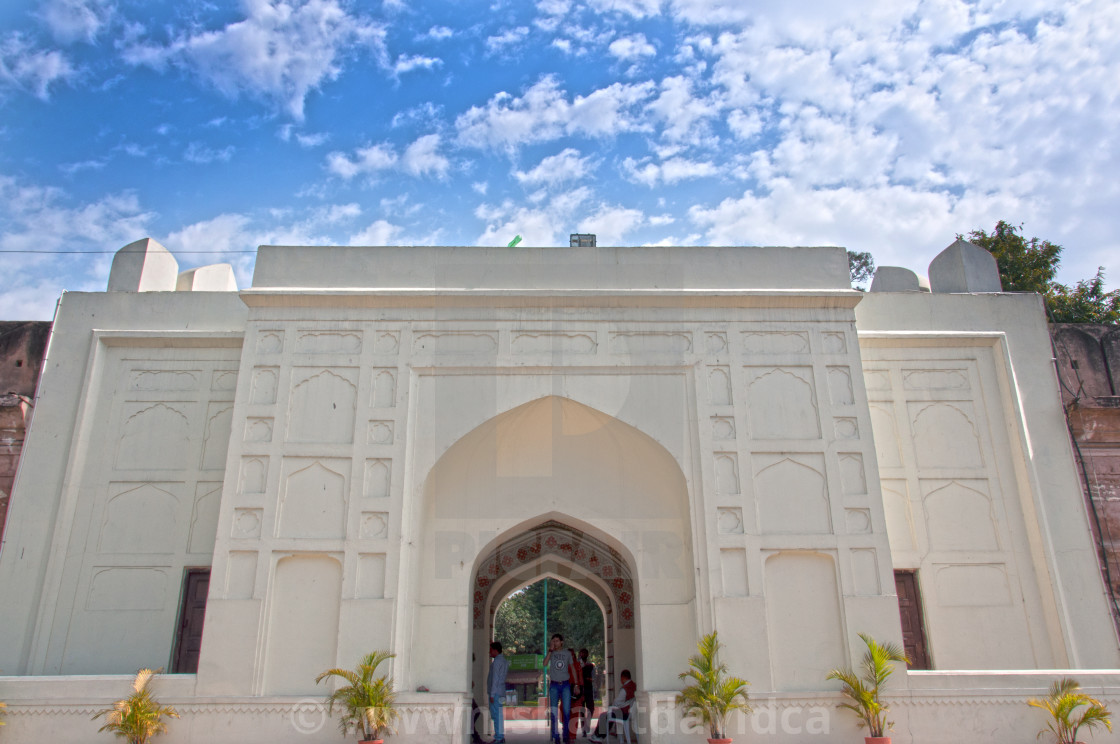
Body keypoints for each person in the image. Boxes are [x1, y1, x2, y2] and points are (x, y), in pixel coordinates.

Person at [544, 633, 578, 744]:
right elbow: (544, 664)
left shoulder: (567, 653)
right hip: (554, 684)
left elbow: (572, 668)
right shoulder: (551, 653)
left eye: (557, 641)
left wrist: (576, 683)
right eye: (553, 641)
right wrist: (550, 651)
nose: (555, 643)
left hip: (565, 685)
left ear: (562, 642)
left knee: (567, 710)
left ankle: (566, 735)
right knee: (553, 711)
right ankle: (556, 735)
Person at [587, 669, 636, 743]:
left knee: (604, 716)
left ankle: (599, 736)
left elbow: (616, 702)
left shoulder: (625, 689)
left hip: (623, 713)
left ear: (623, 678)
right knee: (607, 715)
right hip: (629, 712)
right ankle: (597, 735)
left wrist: (612, 707)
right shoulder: (634, 685)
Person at [487, 641, 509, 744]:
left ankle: (499, 737)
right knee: (499, 715)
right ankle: (499, 736)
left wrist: (492, 694)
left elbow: (495, 679)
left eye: (491, 650)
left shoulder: (496, 662)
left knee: (496, 715)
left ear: (495, 650)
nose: (489, 652)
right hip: (501, 690)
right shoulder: (504, 661)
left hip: (495, 692)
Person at [578, 649, 596, 738]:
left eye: (585, 653)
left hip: (588, 689)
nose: (583, 655)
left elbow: (593, 678)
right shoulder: (578, 665)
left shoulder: (590, 666)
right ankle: (583, 729)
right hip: (581, 690)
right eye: (582, 653)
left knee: (591, 708)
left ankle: (586, 725)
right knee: (581, 710)